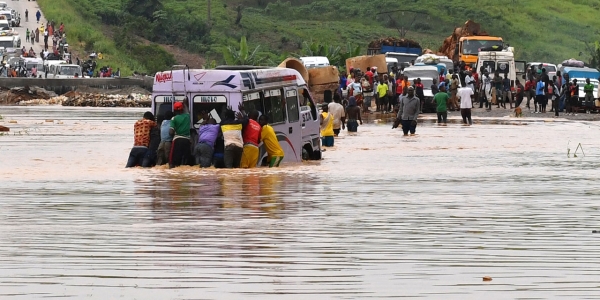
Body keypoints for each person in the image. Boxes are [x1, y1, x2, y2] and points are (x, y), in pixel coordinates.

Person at [168, 101, 192, 168]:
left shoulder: (174, 119)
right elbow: (187, 111)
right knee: (187, 163)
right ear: (182, 109)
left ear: (174, 110)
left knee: (173, 163)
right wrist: (185, 104)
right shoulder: (187, 117)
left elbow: (171, 132)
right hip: (187, 141)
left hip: (177, 141)